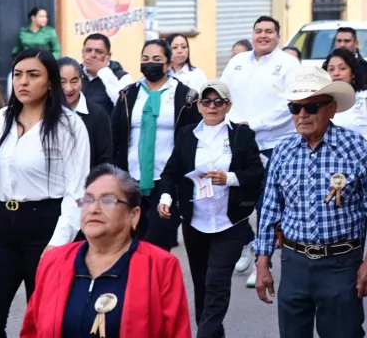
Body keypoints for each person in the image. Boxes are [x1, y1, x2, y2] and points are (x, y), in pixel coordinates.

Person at [254, 65, 367, 338]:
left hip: (341, 264)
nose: (302, 114)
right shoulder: (282, 151)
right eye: (295, 107)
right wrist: (262, 262)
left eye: (312, 106)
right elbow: (270, 210)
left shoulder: (357, 147)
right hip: (294, 263)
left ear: (331, 109)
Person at [21, 164, 192, 338]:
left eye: (107, 201)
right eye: (87, 200)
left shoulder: (160, 266)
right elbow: (31, 331)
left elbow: (177, 333)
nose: (93, 209)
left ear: (133, 215)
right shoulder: (54, 261)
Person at [157, 80, 263, 338]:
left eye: (218, 101)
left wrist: (229, 178)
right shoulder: (187, 134)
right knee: (202, 286)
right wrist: (166, 198)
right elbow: (171, 172)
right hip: (196, 222)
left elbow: (256, 173)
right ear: (199, 106)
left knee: (217, 283)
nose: (212, 106)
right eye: (206, 101)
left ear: (228, 106)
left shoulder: (241, 135)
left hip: (230, 222)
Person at [0, 48, 90, 338]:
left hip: (45, 226)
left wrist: (58, 243)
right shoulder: (1, 119)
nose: (23, 81)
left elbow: (77, 191)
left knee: (44, 322)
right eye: (18, 75)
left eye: (33, 75)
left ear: (50, 82)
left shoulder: (68, 125)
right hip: (3, 225)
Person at [219, 15, 300, 287]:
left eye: (269, 31)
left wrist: (253, 124)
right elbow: (222, 93)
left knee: (266, 206)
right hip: (237, 143)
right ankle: (249, 243)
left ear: (278, 36)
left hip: (272, 145)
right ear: (252, 34)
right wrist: (231, 125)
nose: (263, 35)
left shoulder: (288, 64)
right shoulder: (237, 62)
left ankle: (262, 263)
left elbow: (289, 104)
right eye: (258, 31)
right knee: (233, 202)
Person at [111, 39, 201, 250]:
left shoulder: (186, 97)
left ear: (168, 64)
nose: (150, 63)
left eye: (156, 59)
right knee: (132, 242)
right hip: (131, 179)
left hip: (168, 181)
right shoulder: (128, 94)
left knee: (157, 242)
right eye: (145, 59)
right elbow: (115, 137)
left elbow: (193, 139)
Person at [324, 48, 367, 152]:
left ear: (353, 73)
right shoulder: (321, 104)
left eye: (342, 68)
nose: (336, 73)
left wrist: (355, 142)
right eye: (331, 69)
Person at [58, 57, 113, 167]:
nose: (69, 88)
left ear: (81, 80)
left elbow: (105, 160)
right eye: (62, 82)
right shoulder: (46, 112)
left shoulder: (98, 114)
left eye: (74, 81)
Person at [80, 33, 133, 116]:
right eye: (88, 50)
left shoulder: (122, 77)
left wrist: (103, 72)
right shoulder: (75, 74)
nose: (93, 55)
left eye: (99, 52)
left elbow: (124, 106)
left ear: (108, 56)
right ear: (82, 53)